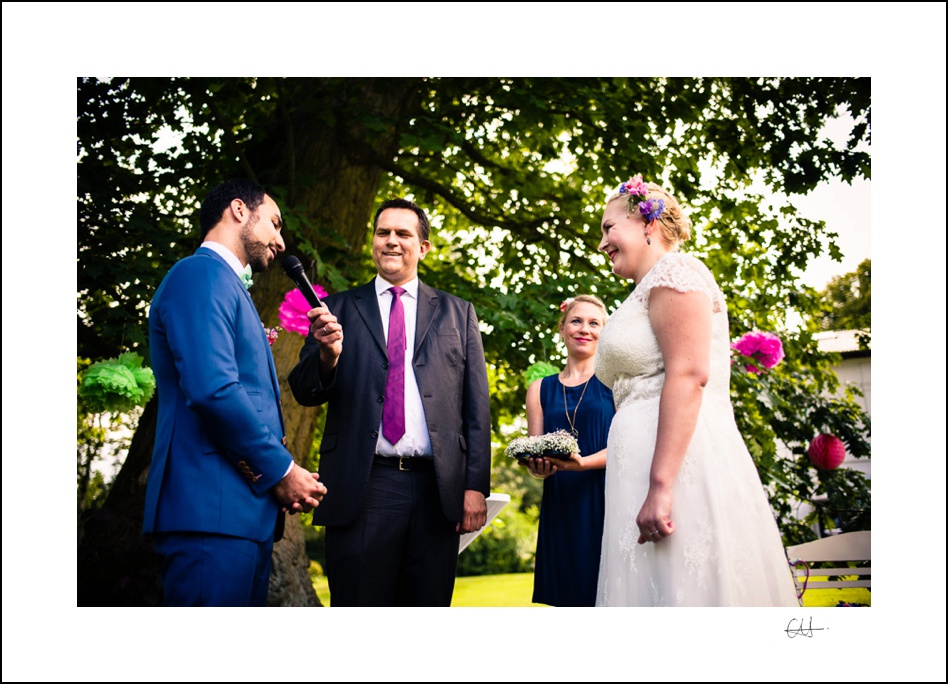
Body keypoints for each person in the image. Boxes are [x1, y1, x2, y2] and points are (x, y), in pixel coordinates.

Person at [593, 175, 798, 606]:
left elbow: (688, 375)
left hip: (674, 469)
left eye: (609, 228)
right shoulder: (640, 292)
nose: (602, 243)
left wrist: (661, 486)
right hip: (638, 466)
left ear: (646, 225)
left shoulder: (675, 272)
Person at [288, 197, 491, 607]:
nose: (392, 241)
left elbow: (476, 410)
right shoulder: (336, 310)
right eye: (383, 233)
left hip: (438, 490)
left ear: (424, 246)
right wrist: (329, 355)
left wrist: (475, 487)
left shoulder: (458, 313)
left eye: (403, 233)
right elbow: (304, 391)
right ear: (373, 242)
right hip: (365, 486)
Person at [143, 179, 328, 607]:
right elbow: (213, 390)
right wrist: (282, 471)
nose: (280, 242)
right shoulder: (199, 275)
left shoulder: (227, 286)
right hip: (210, 513)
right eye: (275, 225)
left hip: (240, 515)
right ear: (240, 211)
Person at [525, 295, 615, 607]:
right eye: (576, 321)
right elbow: (534, 450)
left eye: (594, 323)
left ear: (605, 332)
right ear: (562, 328)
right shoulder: (539, 389)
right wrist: (537, 466)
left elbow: (631, 448)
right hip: (561, 504)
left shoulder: (616, 382)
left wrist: (583, 464)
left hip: (607, 500)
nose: (584, 329)